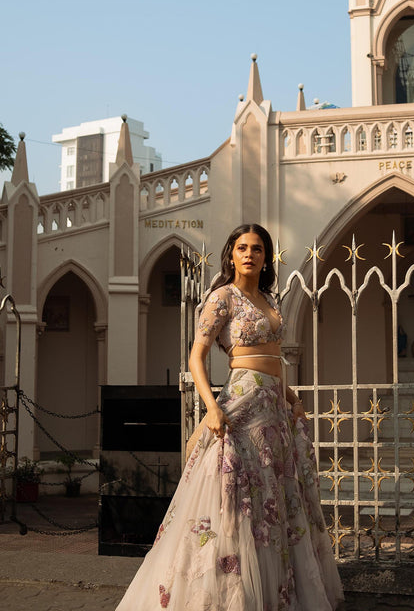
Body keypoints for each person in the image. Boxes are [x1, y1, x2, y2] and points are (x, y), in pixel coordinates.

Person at [116, 223, 344, 610]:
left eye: (257, 248)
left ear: (265, 256)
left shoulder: (269, 300)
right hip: (241, 405)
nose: (250, 254)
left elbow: (274, 359)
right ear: (232, 254)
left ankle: (275, 594)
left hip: (273, 410)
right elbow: (196, 357)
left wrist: (290, 397)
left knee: (274, 498)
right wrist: (212, 407)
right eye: (242, 247)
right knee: (236, 497)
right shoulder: (223, 297)